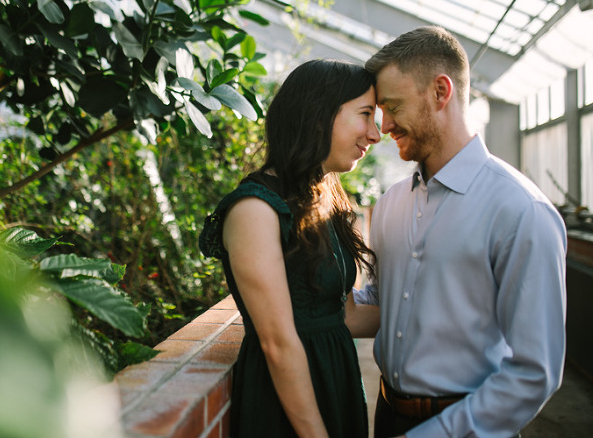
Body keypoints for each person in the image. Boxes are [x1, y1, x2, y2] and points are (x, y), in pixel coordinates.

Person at [355, 25, 567, 438]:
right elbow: (383, 301)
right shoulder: (390, 204)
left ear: (440, 92)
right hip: (386, 417)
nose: (384, 127)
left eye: (393, 107)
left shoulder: (521, 211)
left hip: (470, 428)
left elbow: (534, 372)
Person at [199, 59, 381, 437]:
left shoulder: (323, 196)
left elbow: (341, 316)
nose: (375, 133)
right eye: (365, 114)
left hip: (335, 384)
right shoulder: (255, 209)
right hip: (289, 410)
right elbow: (278, 342)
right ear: (318, 114)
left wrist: (432, 316)